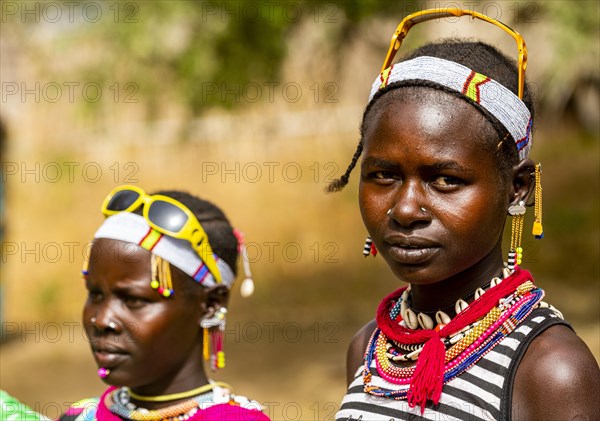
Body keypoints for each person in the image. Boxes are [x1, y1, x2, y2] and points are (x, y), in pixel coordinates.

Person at [331, 8, 599, 421]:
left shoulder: (550, 370)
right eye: (383, 175)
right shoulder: (369, 348)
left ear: (517, 187)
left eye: (445, 180)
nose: (404, 209)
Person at [59, 186, 269, 421]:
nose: (102, 320)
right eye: (95, 294)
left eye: (134, 300)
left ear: (211, 303)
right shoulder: (82, 415)